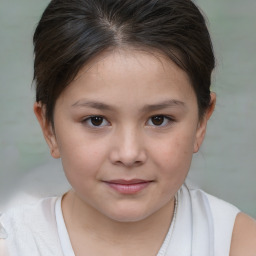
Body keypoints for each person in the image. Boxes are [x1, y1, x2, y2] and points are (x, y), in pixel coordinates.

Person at [0, 0, 255, 255]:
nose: (129, 154)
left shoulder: (239, 244)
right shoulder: (13, 245)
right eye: (96, 120)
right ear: (48, 127)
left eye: (159, 119)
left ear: (201, 122)